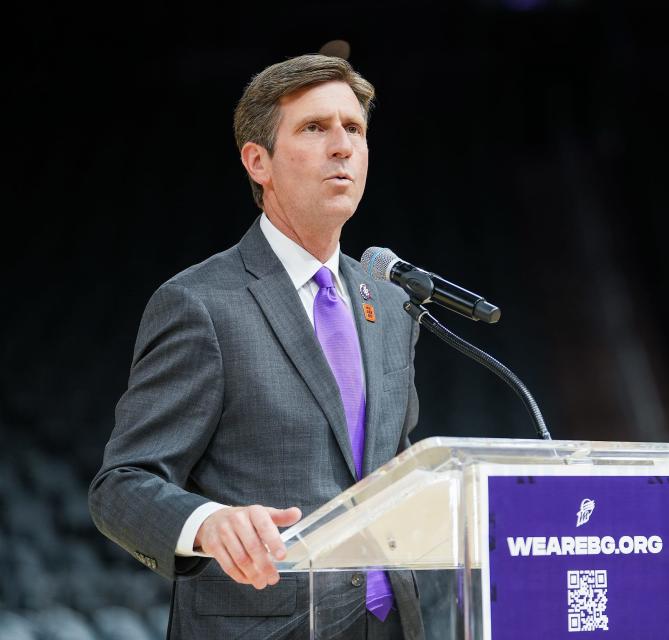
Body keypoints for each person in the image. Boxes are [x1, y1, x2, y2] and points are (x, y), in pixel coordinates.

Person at [89, 54, 423, 640]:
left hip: (391, 624)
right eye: (315, 128)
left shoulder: (391, 305)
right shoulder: (202, 304)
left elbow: (390, 463)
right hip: (266, 624)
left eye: (355, 129)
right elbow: (121, 485)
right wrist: (209, 522)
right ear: (258, 160)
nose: (342, 146)